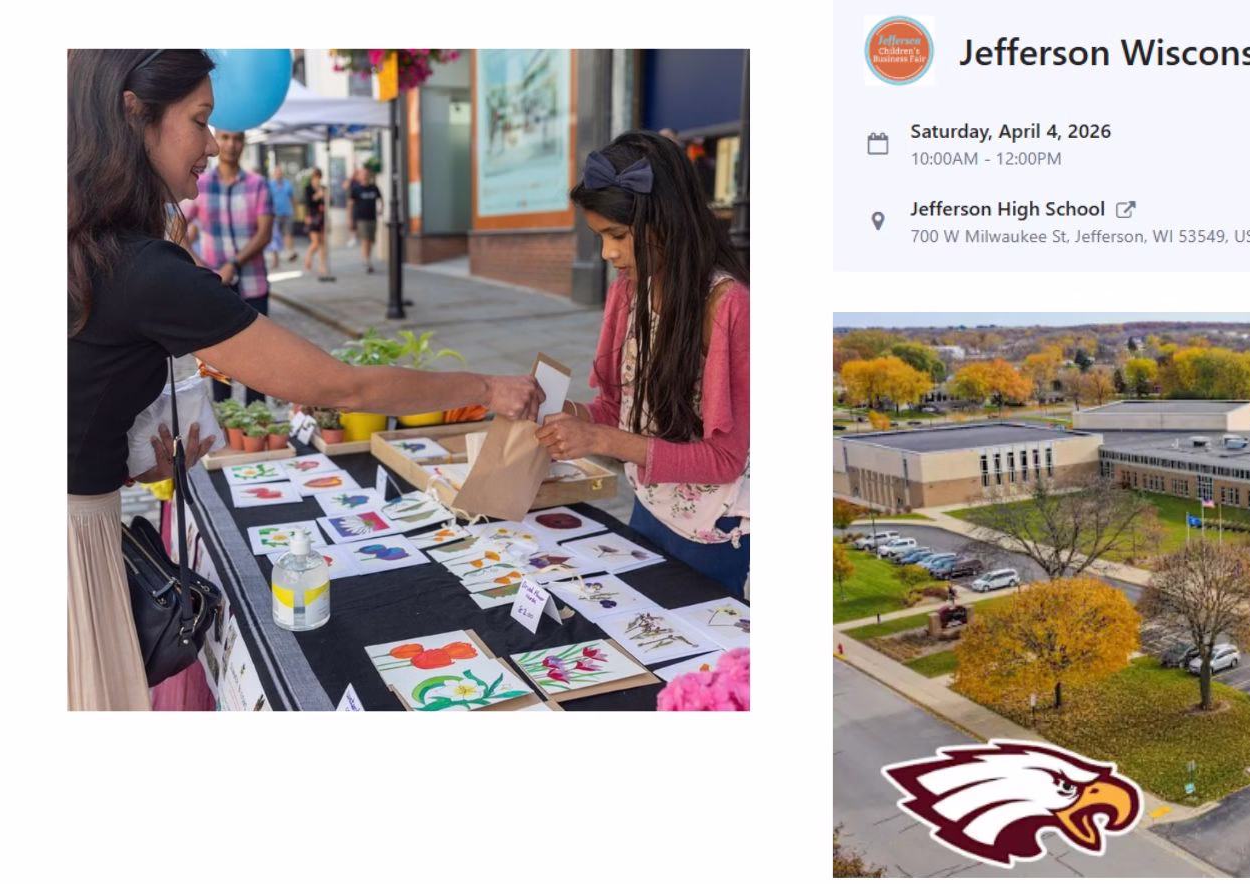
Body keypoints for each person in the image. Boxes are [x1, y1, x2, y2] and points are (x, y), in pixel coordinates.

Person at [67, 49, 546, 710]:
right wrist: (488, 390)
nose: (212, 143)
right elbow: (338, 387)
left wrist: (109, 455)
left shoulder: (82, 242)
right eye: (200, 120)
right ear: (134, 114)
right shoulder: (142, 268)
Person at [534, 131, 751, 596]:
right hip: (649, 506)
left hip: (716, 531)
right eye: (600, 237)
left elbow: (723, 460)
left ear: (666, 221)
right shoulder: (626, 292)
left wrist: (600, 438)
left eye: (618, 235)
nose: (608, 254)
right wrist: (560, 415)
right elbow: (618, 406)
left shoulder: (728, 306)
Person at [181, 129, 272, 404]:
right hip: (215, 289)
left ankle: (257, 426)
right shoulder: (202, 184)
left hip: (253, 284)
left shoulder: (258, 184)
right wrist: (201, 267)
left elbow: (264, 234)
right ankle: (228, 429)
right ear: (216, 140)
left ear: (244, 143)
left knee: (259, 360)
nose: (231, 145)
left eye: (238, 139)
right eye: (226, 138)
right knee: (219, 361)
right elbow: (175, 226)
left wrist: (234, 264)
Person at [299, 167, 333, 281]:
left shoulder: (324, 188)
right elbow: (308, 203)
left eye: (319, 177)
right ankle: (308, 257)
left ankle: (322, 265)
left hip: (322, 217)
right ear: (312, 178)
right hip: (312, 217)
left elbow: (329, 202)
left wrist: (326, 196)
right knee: (315, 242)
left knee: (323, 243)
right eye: (315, 177)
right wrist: (318, 195)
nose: (317, 180)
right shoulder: (308, 188)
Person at [347, 165, 381, 274]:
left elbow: (380, 199)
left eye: (367, 174)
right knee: (365, 239)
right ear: (360, 176)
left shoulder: (374, 187)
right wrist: (350, 219)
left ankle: (367, 258)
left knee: (371, 240)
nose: (365, 176)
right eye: (363, 174)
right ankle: (367, 261)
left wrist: (381, 209)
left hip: (372, 217)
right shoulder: (356, 189)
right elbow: (350, 205)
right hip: (361, 218)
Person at [266, 165, 297, 265]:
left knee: (288, 233)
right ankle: (276, 258)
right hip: (274, 214)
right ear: (274, 174)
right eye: (277, 173)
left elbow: (292, 198)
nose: (279, 175)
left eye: (280, 173)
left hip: (287, 212)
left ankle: (290, 253)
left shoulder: (287, 184)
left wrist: (294, 210)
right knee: (275, 236)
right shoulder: (270, 185)